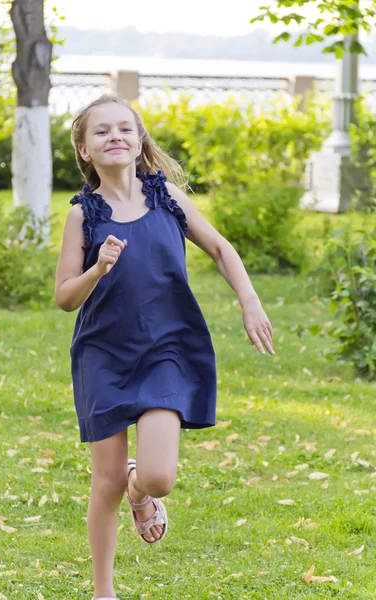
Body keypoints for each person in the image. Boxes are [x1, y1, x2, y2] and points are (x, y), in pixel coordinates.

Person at [54, 93, 275, 600]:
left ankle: (141, 491)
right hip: (103, 353)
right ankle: (103, 591)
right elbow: (65, 297)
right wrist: (97, 268)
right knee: (105, 480)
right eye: (102, 131)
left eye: (125, 129)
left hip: (168, 346)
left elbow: (220, 248)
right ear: (85, 150)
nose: (115, 137)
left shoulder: (167, 197)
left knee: (157, 477)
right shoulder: (81, 215)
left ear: (139, 141)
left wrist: (250, 301)